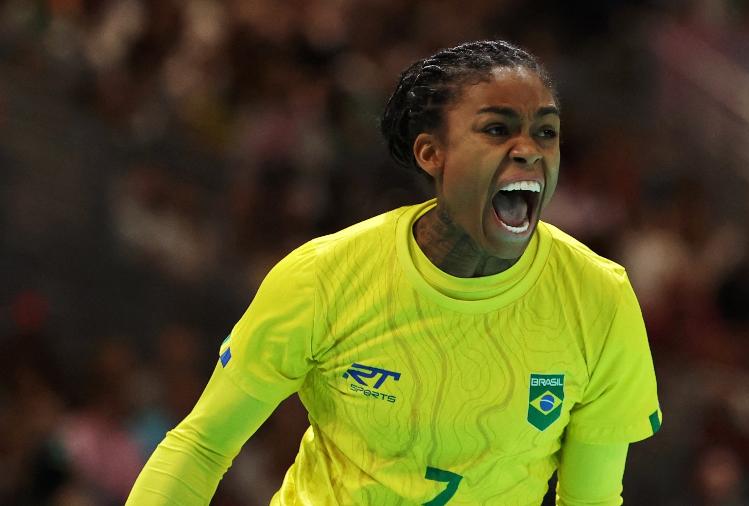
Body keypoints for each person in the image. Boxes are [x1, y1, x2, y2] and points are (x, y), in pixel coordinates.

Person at [126, 39, 661, 506]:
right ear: (432, 154)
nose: (529, 150)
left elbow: (589, 498)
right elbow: (203, 445)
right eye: (497, 129)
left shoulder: (600, 300)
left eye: (546, 134)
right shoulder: (325, 276)